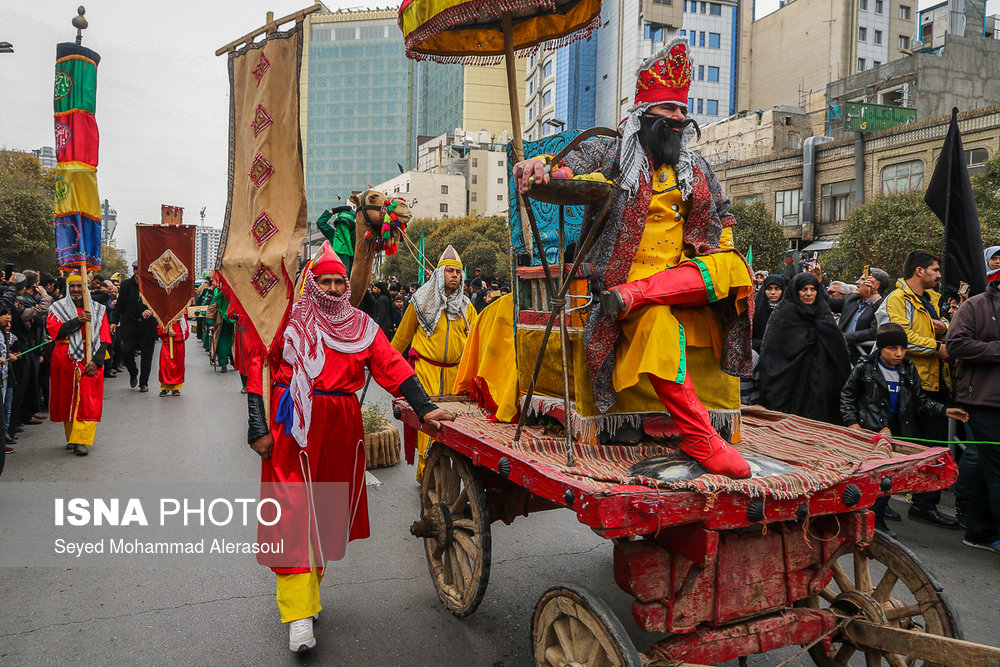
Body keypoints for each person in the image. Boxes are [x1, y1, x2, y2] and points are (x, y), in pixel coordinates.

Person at [514, 38, 753, 478]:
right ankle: (702, 438)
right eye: (670, 111)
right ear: (646, 117)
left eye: (684, 112)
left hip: (685, 279)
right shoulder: (616, 152)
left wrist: (723, 243)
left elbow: (722, 213)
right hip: (624, 279)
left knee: (736, 266)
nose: (681, 119)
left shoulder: (696, 166)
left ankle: (634, 294)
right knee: (659, 323)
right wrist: (544, 166)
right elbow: (575, 164)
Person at [245, 242, 452, 653]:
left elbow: (391, 363)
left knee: (325, 514)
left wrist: (425, 407)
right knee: (292, 514)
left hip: (342, 429)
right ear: (312, 283)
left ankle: (306, 595)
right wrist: (256, 426)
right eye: (327, 281)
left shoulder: (359, 324)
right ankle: (298, 616)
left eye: (341, 281)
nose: (337, 288)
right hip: (294, 429)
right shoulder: (287, 319)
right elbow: (258, 365)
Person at [841, 323, 969, 535]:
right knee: (869, 478)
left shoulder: (909, 368)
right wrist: (853, 423)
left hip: (898, 432)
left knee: (889, 479)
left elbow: (920, 401)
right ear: (881, 348)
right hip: (870, 432)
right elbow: (848, 396)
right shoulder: (865, 366)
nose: (898, 353)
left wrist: (945, 411)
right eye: (892, 348)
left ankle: (877, 521)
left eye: (902, 348)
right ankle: (865, 520)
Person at [876, 249, 959, 528]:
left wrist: (943, 326)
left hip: (936, 384)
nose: (939, 275)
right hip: (904, 385)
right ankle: (878, 504)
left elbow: (947, 324)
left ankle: (925, 505)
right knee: (897, 446)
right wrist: (938, 347)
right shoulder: (896, 300)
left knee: (934, 448)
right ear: (919, 271)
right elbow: (898, 337)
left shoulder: (933, 299)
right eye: (935, 270)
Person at [391, 245, 477, 479]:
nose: (455, 276)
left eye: (458, 272)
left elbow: (476, 342)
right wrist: (387, 366)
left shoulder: (467, 307)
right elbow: (402, 338)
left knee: (453, 424)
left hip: (455, 375)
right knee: (428, 423)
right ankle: (425, 473)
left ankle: (449, 472)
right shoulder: (419, 302)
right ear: (440, 274)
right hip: (425, 371)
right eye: (450, 271)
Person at [945, 276, 1000, 553]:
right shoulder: (975, 306)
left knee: (987, 467)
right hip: (984, 402)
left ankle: (979, 530)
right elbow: (954, 344)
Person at [759, 272, 851, 422]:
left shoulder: (823, 312)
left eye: (813, 289)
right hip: (789, 381)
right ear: (796, 291)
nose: (809, 294)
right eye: (804, 289)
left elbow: (837, 347)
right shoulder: (783, 313)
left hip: (821, 383)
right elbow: (772, 350)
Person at [46, 274, 112, 456]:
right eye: (72, 286)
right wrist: (78, 320)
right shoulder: (56, 308)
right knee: (68, 399)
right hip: (64, 357)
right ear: (67, 288)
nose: (75, 289)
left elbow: (105, 337)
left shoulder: (98, 309)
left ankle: (81, 440)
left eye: (79, 286)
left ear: (86, 288)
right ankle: (73, 437)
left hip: (90, 358)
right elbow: (55, 332)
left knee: (88, 400)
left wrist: (97, 362)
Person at [112, 262, 158, 392]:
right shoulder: (126, 284)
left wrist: (151, 311)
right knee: (126, 351)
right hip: (130, 324)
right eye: (135, 269)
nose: (138, 271)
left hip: (147, 325)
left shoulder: (153, 284)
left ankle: (144, 382)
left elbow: (158, 304)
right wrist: (114, 321)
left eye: (140, 269)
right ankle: (133, 372)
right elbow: (120, 305)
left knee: (147, 355)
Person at [830, 268, 891, 363]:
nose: (857, 282)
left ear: (875, 285)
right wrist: (817, 279)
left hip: (862, 360)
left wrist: (843, 337)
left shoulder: (883, 307)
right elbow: (827, 302)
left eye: (863, 279)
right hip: (839, 357)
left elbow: (873, 332)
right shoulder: (851, 299)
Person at [751, 274, 785, 352]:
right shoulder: (756, 309)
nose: (773, 292)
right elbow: (750, 338)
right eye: (769, 289)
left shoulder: (789, 310)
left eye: (777, 289)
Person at [157, 316, 189, 396]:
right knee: (164, 366)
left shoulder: (182, 320)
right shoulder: (164, 318)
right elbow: (159, 329)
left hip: (179, 345)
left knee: (178, 367)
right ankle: (165, 387)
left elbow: (186, 333)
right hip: (166, 345)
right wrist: (167, 331)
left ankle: (176, 388)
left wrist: (176, 335)